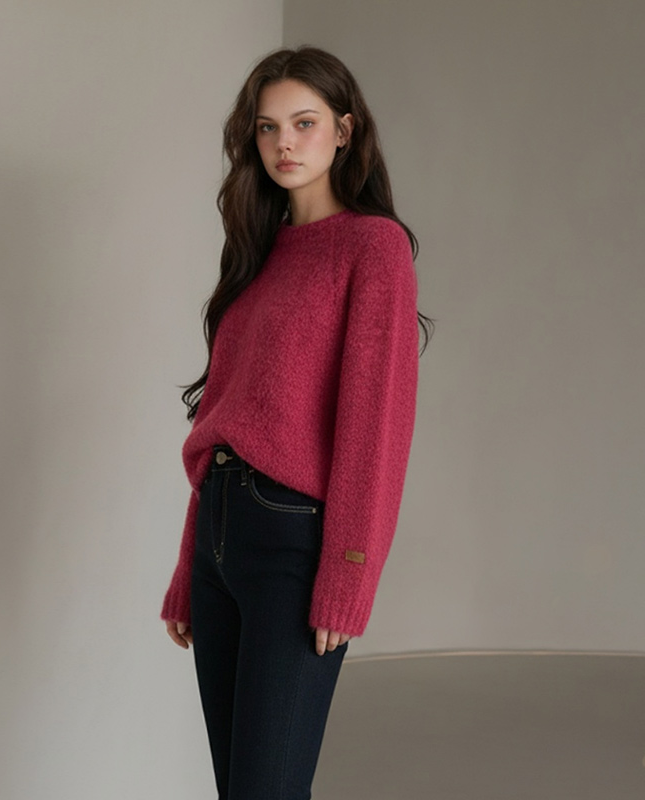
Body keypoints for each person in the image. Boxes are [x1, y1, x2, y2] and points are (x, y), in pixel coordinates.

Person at [160, 45, 434, 800]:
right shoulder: (257, 253)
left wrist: (350, 574)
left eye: (304, 123)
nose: (285, 143)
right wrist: (188, 568)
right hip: (219, 536)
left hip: (292, 544)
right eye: (268, 127)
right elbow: (224, 422)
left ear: (344, 131)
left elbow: (375, 428)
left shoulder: (373, 247)